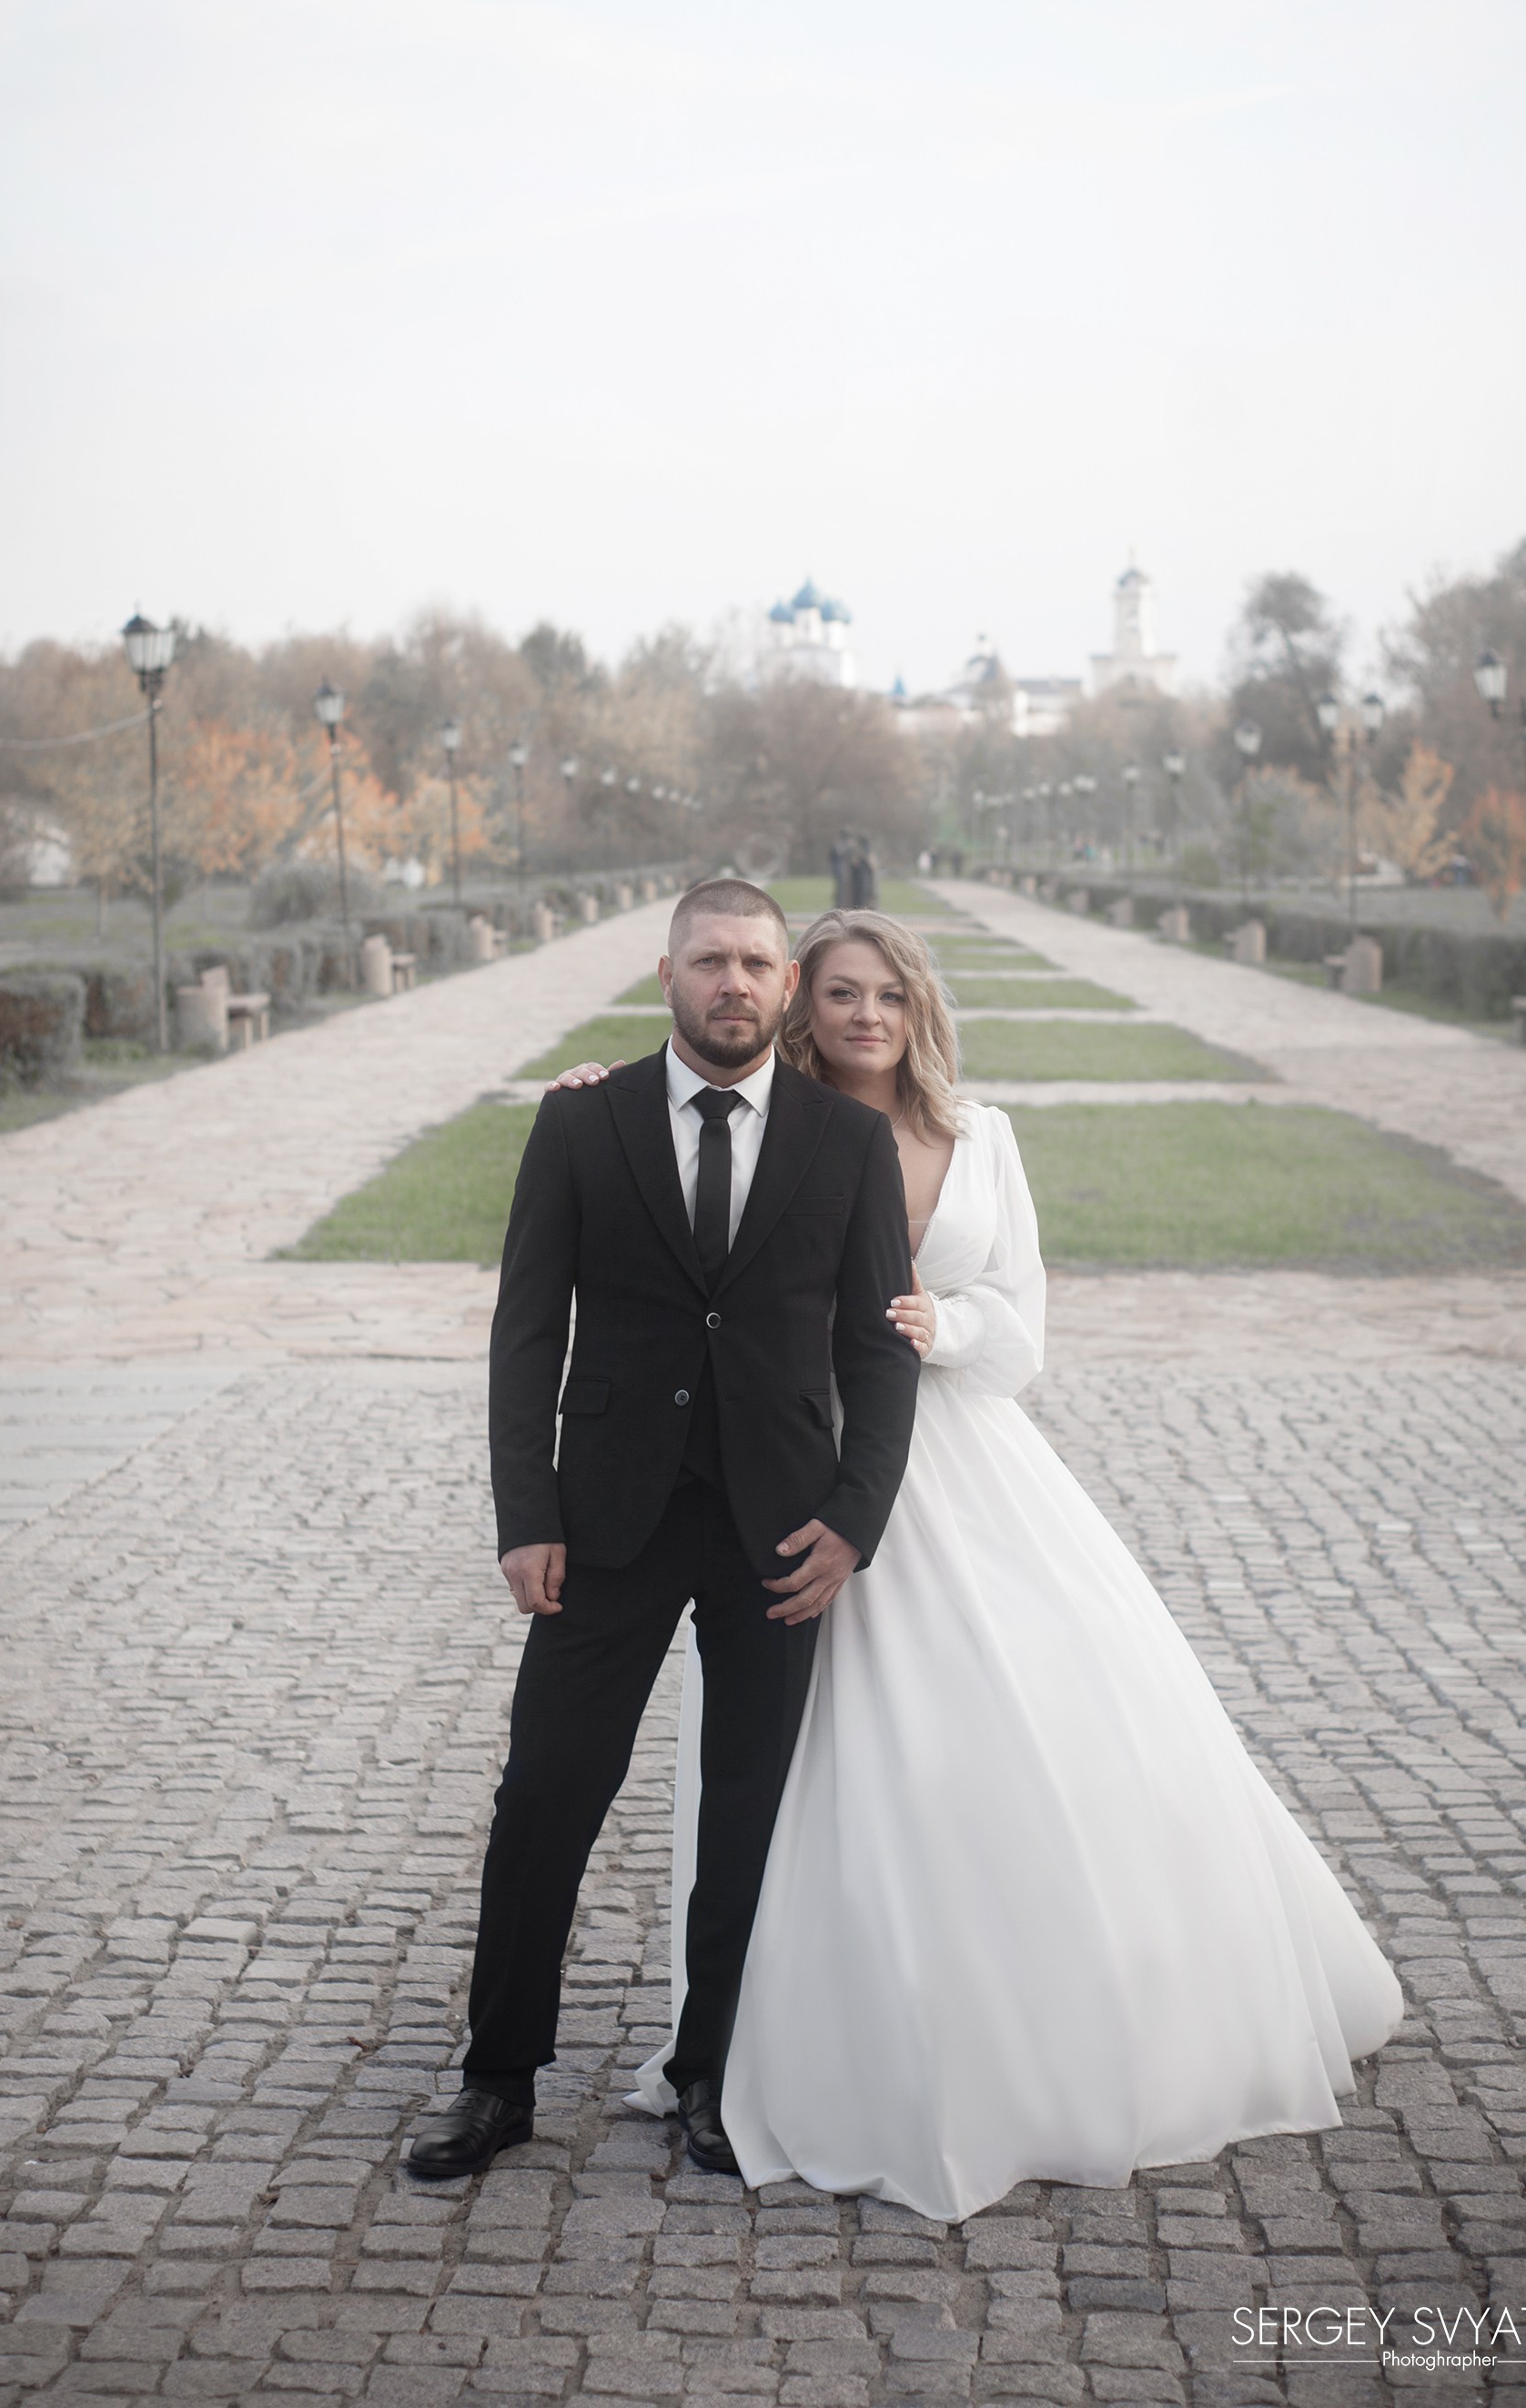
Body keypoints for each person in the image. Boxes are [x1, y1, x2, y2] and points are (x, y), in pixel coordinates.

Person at [548, 905, 1404, 2221]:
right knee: (786, 1771)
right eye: (842, 992)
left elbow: (1022, 1330)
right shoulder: (776, 1126)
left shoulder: (981, 1138)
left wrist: (935, 1323)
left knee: (1023, 1726)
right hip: (791, 1471)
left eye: (890, 994)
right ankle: (760, 2037)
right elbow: (681, 1179)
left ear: (920, 1009)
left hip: (959, 1465)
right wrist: (595, 1088)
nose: (867, 1016)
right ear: (800, 1003)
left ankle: (1041, 2019)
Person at [405, 880, 921, 2186]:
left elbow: (880, 1349)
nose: (731, 983)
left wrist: (855, 1520)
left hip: (781, 1532)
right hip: (605, 1524)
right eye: (709, 961)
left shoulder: (848, 1143)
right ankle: (496, 2078)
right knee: (544, 1797)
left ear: (786, 984)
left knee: (747, 1811)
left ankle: (710, 2074)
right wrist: (526, 1515)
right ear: (667, 974)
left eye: (755, 962)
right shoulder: (582, 1123)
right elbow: (527, 1331)